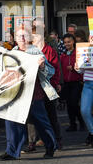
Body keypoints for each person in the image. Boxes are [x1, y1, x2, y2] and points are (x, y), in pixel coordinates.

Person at [0, 27, 57, 161]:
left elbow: (51, 72)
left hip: (34, 93)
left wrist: (42, 66)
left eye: (24, 36)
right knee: (11, 120)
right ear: (15, 38)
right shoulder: (11, 53)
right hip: (16, 94)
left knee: (40, 121)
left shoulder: (36, 52)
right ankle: (11, 151)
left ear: (29, 38)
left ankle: (50, 146)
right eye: (19, 36)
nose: (22, 38)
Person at [23, 25, 63, 153]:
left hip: (47, 86)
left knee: (51, 114)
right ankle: (31, 142)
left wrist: (56, 83)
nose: (34, 37)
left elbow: (56, 68)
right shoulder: (28, 50)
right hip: (33, 87)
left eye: (36, 35)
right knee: (31, 117)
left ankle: (57, 140)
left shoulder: (50, 50)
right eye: (33, 35)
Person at [60, 33, 85, 131]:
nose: (67, 44)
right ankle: (73, 124)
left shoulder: (79, 53)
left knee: (74, 103)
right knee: (69, 104)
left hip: (77, 82)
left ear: (73, 42)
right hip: (66, 83)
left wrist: (74, 69)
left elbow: (83, 67)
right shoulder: (63, 55)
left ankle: (81, 121)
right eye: (65, 42)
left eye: (69, 42)